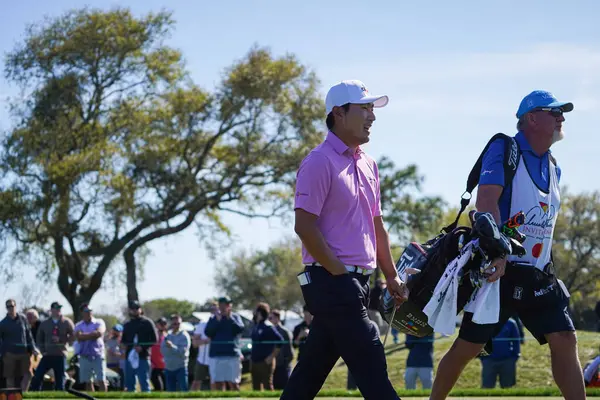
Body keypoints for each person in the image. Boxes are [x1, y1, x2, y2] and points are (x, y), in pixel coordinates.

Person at [429, 90, 586, 400]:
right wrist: (498, 253)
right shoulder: (505, 148)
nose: (561, 117)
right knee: (468, 347)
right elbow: (486, 203)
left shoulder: (554, 167)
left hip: (538, 276)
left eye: (562, 112)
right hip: (498, 273)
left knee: (565, 338)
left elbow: (541, 227)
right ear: (531, 118)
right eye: (553, 111)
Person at [280, 79, 408, 400]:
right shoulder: (319, 161)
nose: (372, 116)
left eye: (371, 109)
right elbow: (304, 226)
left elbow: (376, 225)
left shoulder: (368, 163)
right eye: (364, 109)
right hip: (332, 280)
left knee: (309, 374)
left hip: (357, 282)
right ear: (338, 113)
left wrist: (391, 275)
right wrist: (339, 273)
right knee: (373, 367)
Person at [30, 302, 75, 391]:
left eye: (59, 308)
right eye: (56, 308)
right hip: (47, 355)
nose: (58, 310)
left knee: (60, 379)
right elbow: (39, 338)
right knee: (38, 376)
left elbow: (73, 336)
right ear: (51, 310)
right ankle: (35, 394)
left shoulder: (67, 322)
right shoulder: (45, 323)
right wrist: (42, 351)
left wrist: (62, 340)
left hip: (60, 355)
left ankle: (59, 395)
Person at [204, 296, 244, 391]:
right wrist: (217, 321)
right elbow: (208, 333)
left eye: (227, 304)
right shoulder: (214, 318)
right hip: (216, 355)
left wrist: (230, 318)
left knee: (234, 382)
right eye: (223, 304)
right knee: (218, 382)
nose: (225, 307)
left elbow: (239, 329)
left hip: (232, 355)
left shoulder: (235, 317)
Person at [0, 299, 38, 391]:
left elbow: (29, 335)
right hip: (9, 354)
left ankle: (23, 393)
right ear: (6, 308)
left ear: (15, 306)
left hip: (24, 353)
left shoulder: (23, 319)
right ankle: (12, 396)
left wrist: (33, 348)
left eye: (12, 306)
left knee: (28, 374)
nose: (11, 308)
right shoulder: (3, 323)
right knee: (10, 376)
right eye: (8, 306)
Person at [121, 300, 158, 393]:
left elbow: (154, 339)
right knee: (129, 384)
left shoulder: (147, 322)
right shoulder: (127, 324)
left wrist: (142, 347)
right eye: (132, 309)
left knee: (144, 383)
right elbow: (123, 340)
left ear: (140, 310)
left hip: (143, 356)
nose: (135, 311)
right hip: (129, 357)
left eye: (136, 308)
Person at [73, 304, 107, 392]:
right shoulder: (78, 325)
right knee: (88, 382)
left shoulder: (99, 322)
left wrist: (84, 336)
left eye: (90, 311)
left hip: (98, 355)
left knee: (101, 380)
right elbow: (78, 337)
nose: (89, 313)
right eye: (86, 311)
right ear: (82, 313)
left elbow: (98, 334)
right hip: (84, 356)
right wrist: (92, 334)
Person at [479, 318, 521, 389]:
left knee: (508, 388)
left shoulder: (511, 323)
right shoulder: (485, 321)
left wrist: (514, 357)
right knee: (487, 388)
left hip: (507, 360)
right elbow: (479, 340)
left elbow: (516, 341)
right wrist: (483, 357)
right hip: (489, 360)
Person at [250, 303, 283, 391]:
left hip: (265, 362)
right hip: (254, 361)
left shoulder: (268, 326)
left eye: (256, 311)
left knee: (267, 386)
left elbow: (280, 341)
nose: (254, 312)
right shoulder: (256, 326)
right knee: (255, 388)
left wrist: (271, 357)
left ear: (260, 312)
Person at [161, 314, 191, 392]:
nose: (177, 325)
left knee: (184, 390)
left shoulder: (184, 336)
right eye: (174, 324)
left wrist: (172, 347)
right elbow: (162, 350)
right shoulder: (168, 335)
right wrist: (171, 349)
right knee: (170, 393)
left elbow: (182, 352)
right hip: (168, 368)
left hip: (181, 367)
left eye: (179, 324)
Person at [268, 310, 294, 390]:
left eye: (271, 318)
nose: (270, 320)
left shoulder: (285, 332)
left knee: (285, 389)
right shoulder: (270, 330)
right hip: (274, 365)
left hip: (283, 366)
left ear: (277, 318)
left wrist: (285, 362)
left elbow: (290, 351)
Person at [150, 317, 167, 391]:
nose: (162, 325)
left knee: (166, 387)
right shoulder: (152, 336)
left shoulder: (167, 336)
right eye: (160, 324)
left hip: (165, 365)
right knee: (158, 386)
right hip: (154, 365)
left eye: (164, 324)